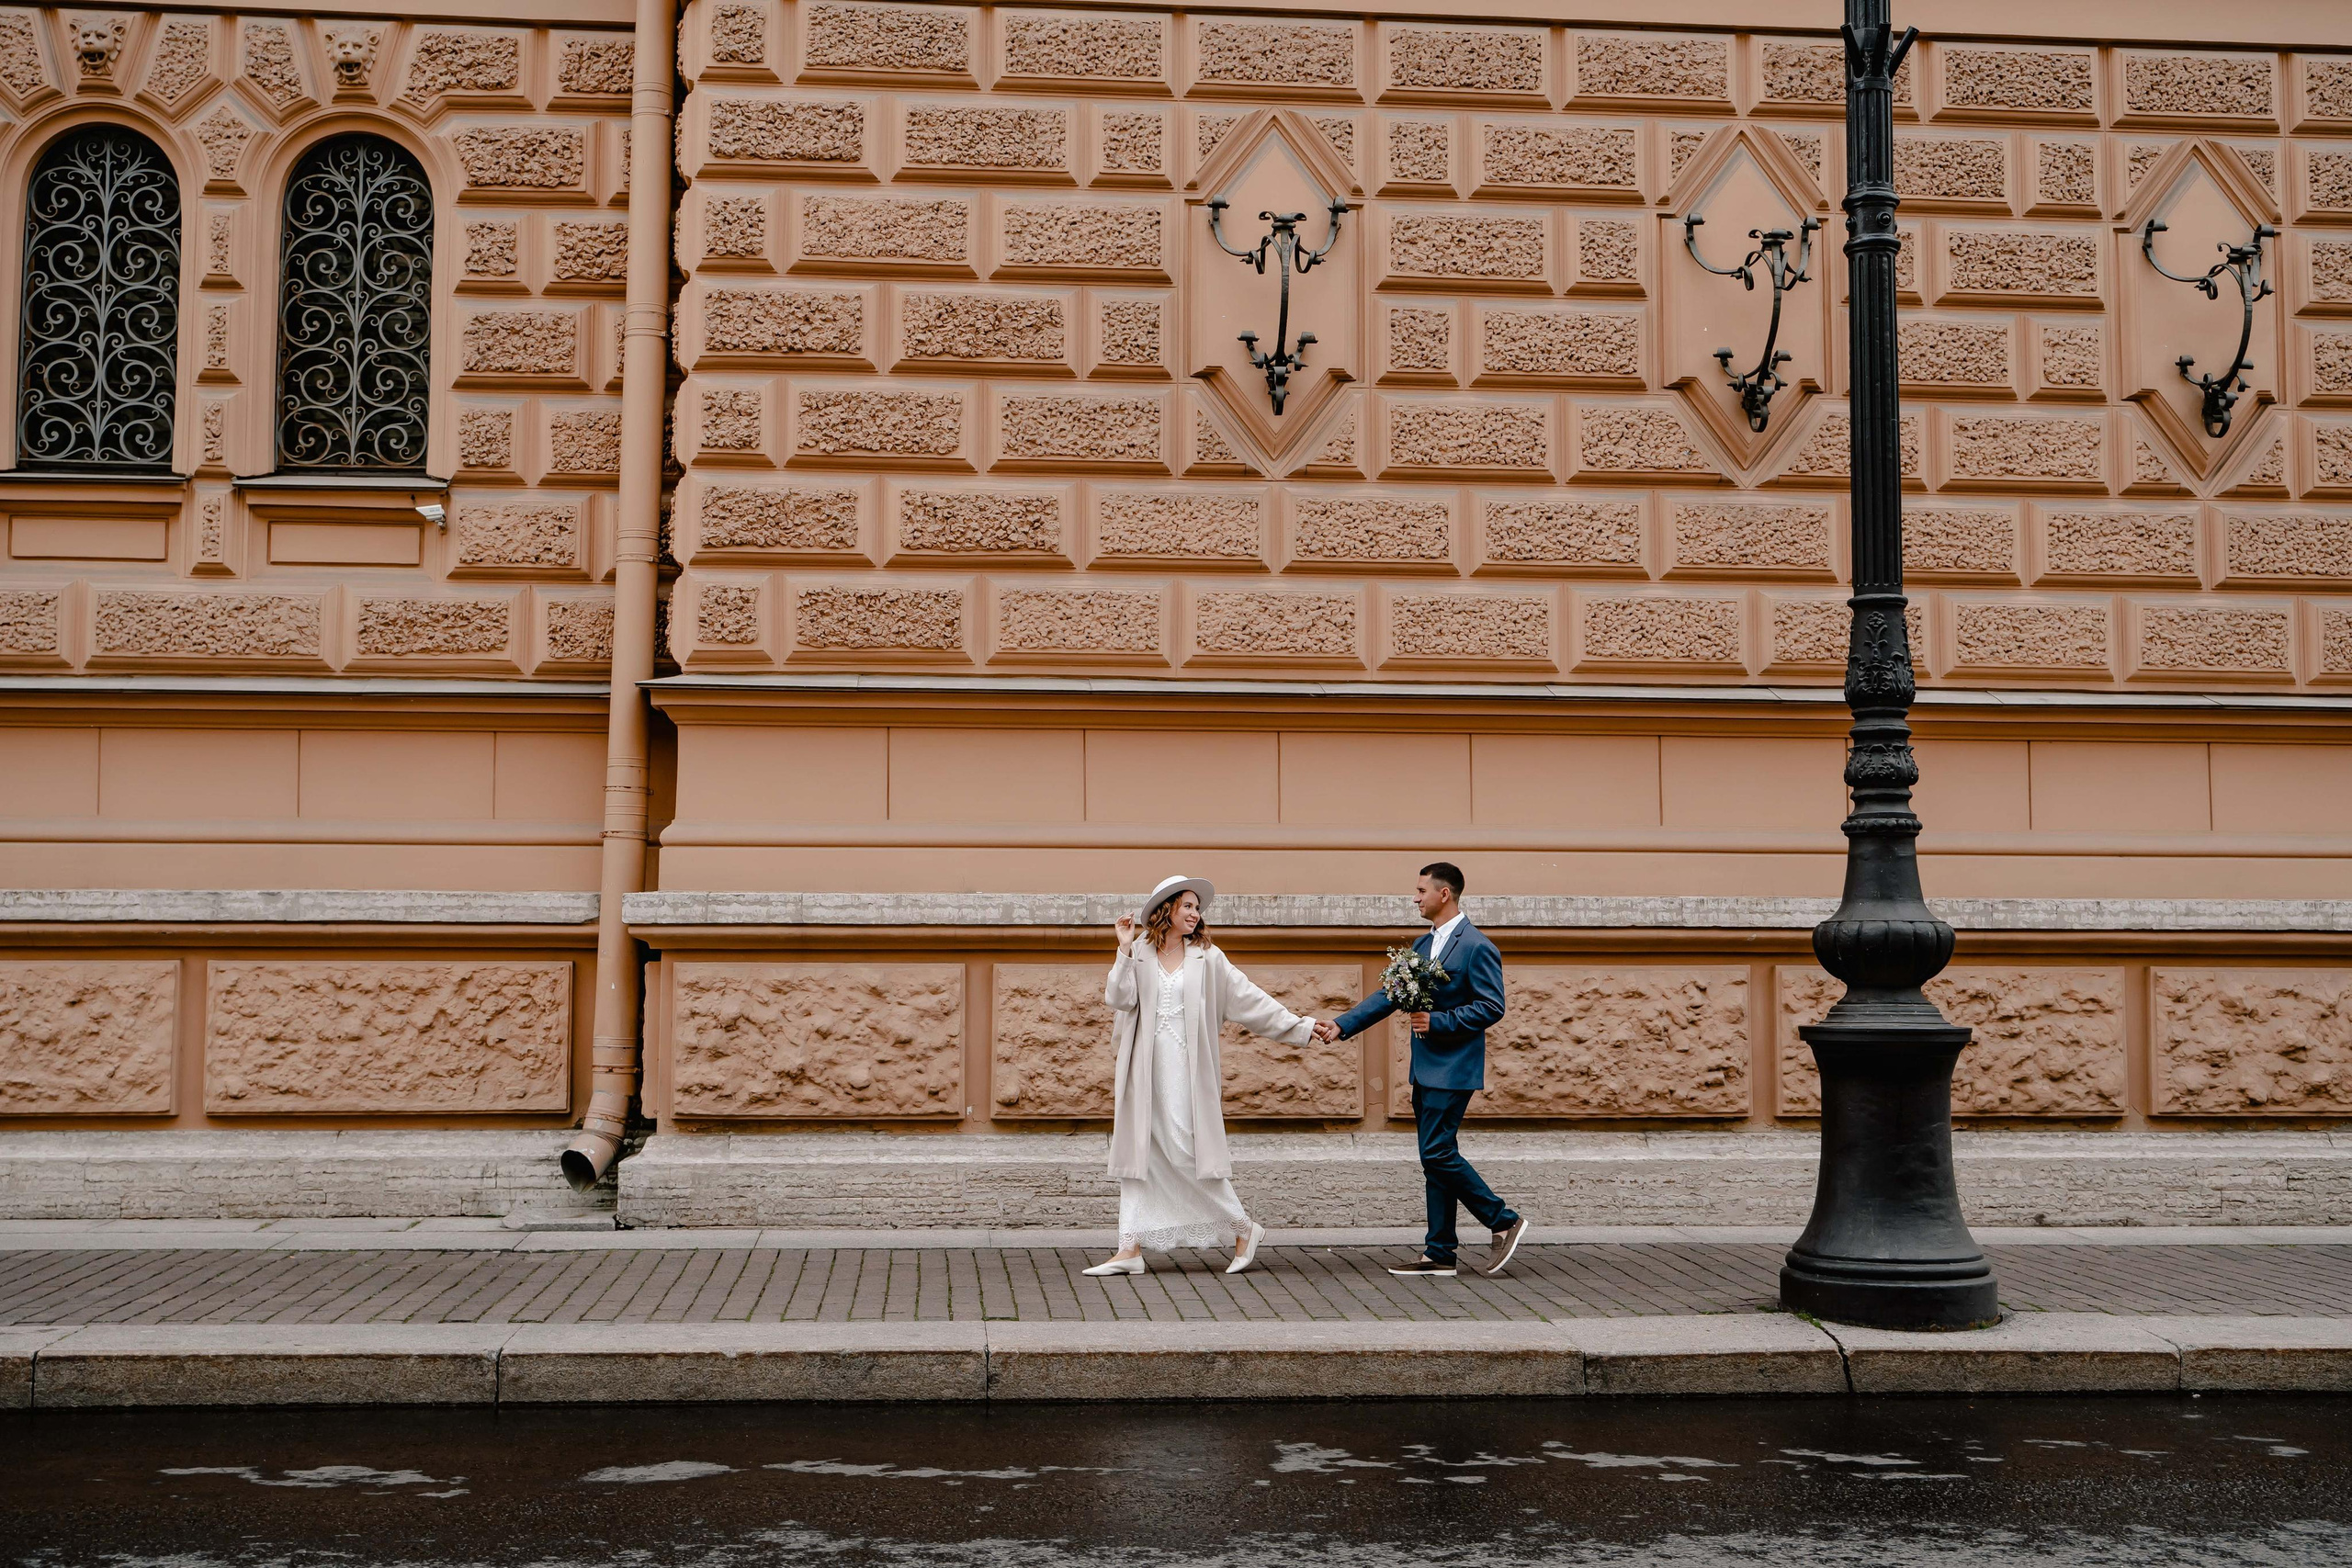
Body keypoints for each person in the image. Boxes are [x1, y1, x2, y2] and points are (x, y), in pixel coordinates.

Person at [1085, 874, 1325, 1279]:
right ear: (1167, 910)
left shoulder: (1208, 958)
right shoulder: (1140, 951)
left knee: (1184, 1148)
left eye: (1198, 908)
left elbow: (1250, 1000)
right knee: (1139, 1153)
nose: (1196, 914)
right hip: (1143, 1071)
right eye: (1188, 906)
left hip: (1186, 1070)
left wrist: (1299, 1026)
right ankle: (1129, 1247)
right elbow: (1118, 999)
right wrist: (1123, 949)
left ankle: (1244, 1229)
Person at [1321, 862, 1528, 1279]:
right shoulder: (1421, 946)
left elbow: (1492, 1006)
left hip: (1454, 1068)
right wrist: (1342, 1025)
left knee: (1437, 1152)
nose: (1415, 898)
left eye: (1420, 890)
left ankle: (1503, 1220)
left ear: (1444, 894)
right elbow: (1389, 996)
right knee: (1435, 1158)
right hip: (1425, 1069)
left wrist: (1441, 1022)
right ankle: (1440, 1254)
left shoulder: (1476, 946)